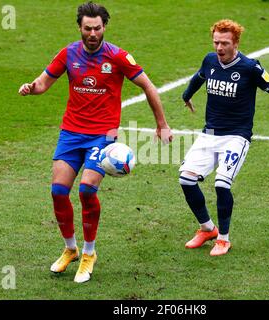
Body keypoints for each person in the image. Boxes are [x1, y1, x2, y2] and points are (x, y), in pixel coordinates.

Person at [18, 1, 173, 283]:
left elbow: (148, 86)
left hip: (103, 135)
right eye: (87, 28)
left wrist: (161, 124)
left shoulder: (118, 57)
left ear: (105, 27)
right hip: (71, 133)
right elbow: (43, 83)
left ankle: (89, 253)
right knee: (57, 191)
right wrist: (31, 88)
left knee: (87, 190)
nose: (92, 33)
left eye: (97, 28)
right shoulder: (68, 53)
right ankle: (70, 249)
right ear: (80, 27)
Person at [179, 19, 269, 256]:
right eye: (216, 42)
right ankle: (207, 228)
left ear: (236, 42)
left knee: (221, 184)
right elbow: (199, 77)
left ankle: (223, 239)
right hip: (209, 135)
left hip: (236, 137)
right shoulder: (210, 60)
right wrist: (186, 95)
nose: (219, 48)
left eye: (225, 43)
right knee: (186, 180)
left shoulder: (251, 68)